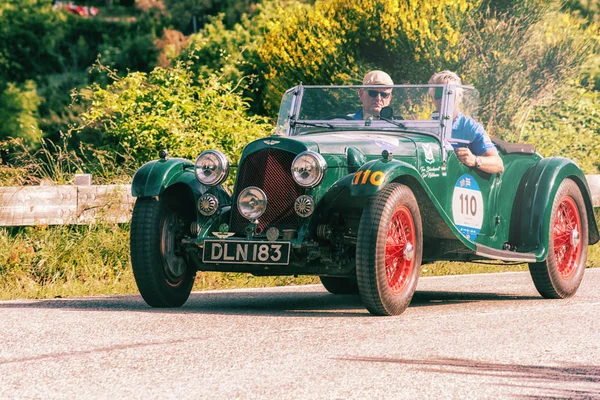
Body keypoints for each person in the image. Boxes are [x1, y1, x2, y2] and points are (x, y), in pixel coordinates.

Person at [429, 70, 504, 174]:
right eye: (438, 96)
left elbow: (498, 164)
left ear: (459, 97)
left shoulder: (470, 127)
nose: (443, 100)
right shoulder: (427, 127)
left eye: (449, 95)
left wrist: (474, 160)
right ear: (431, 99)